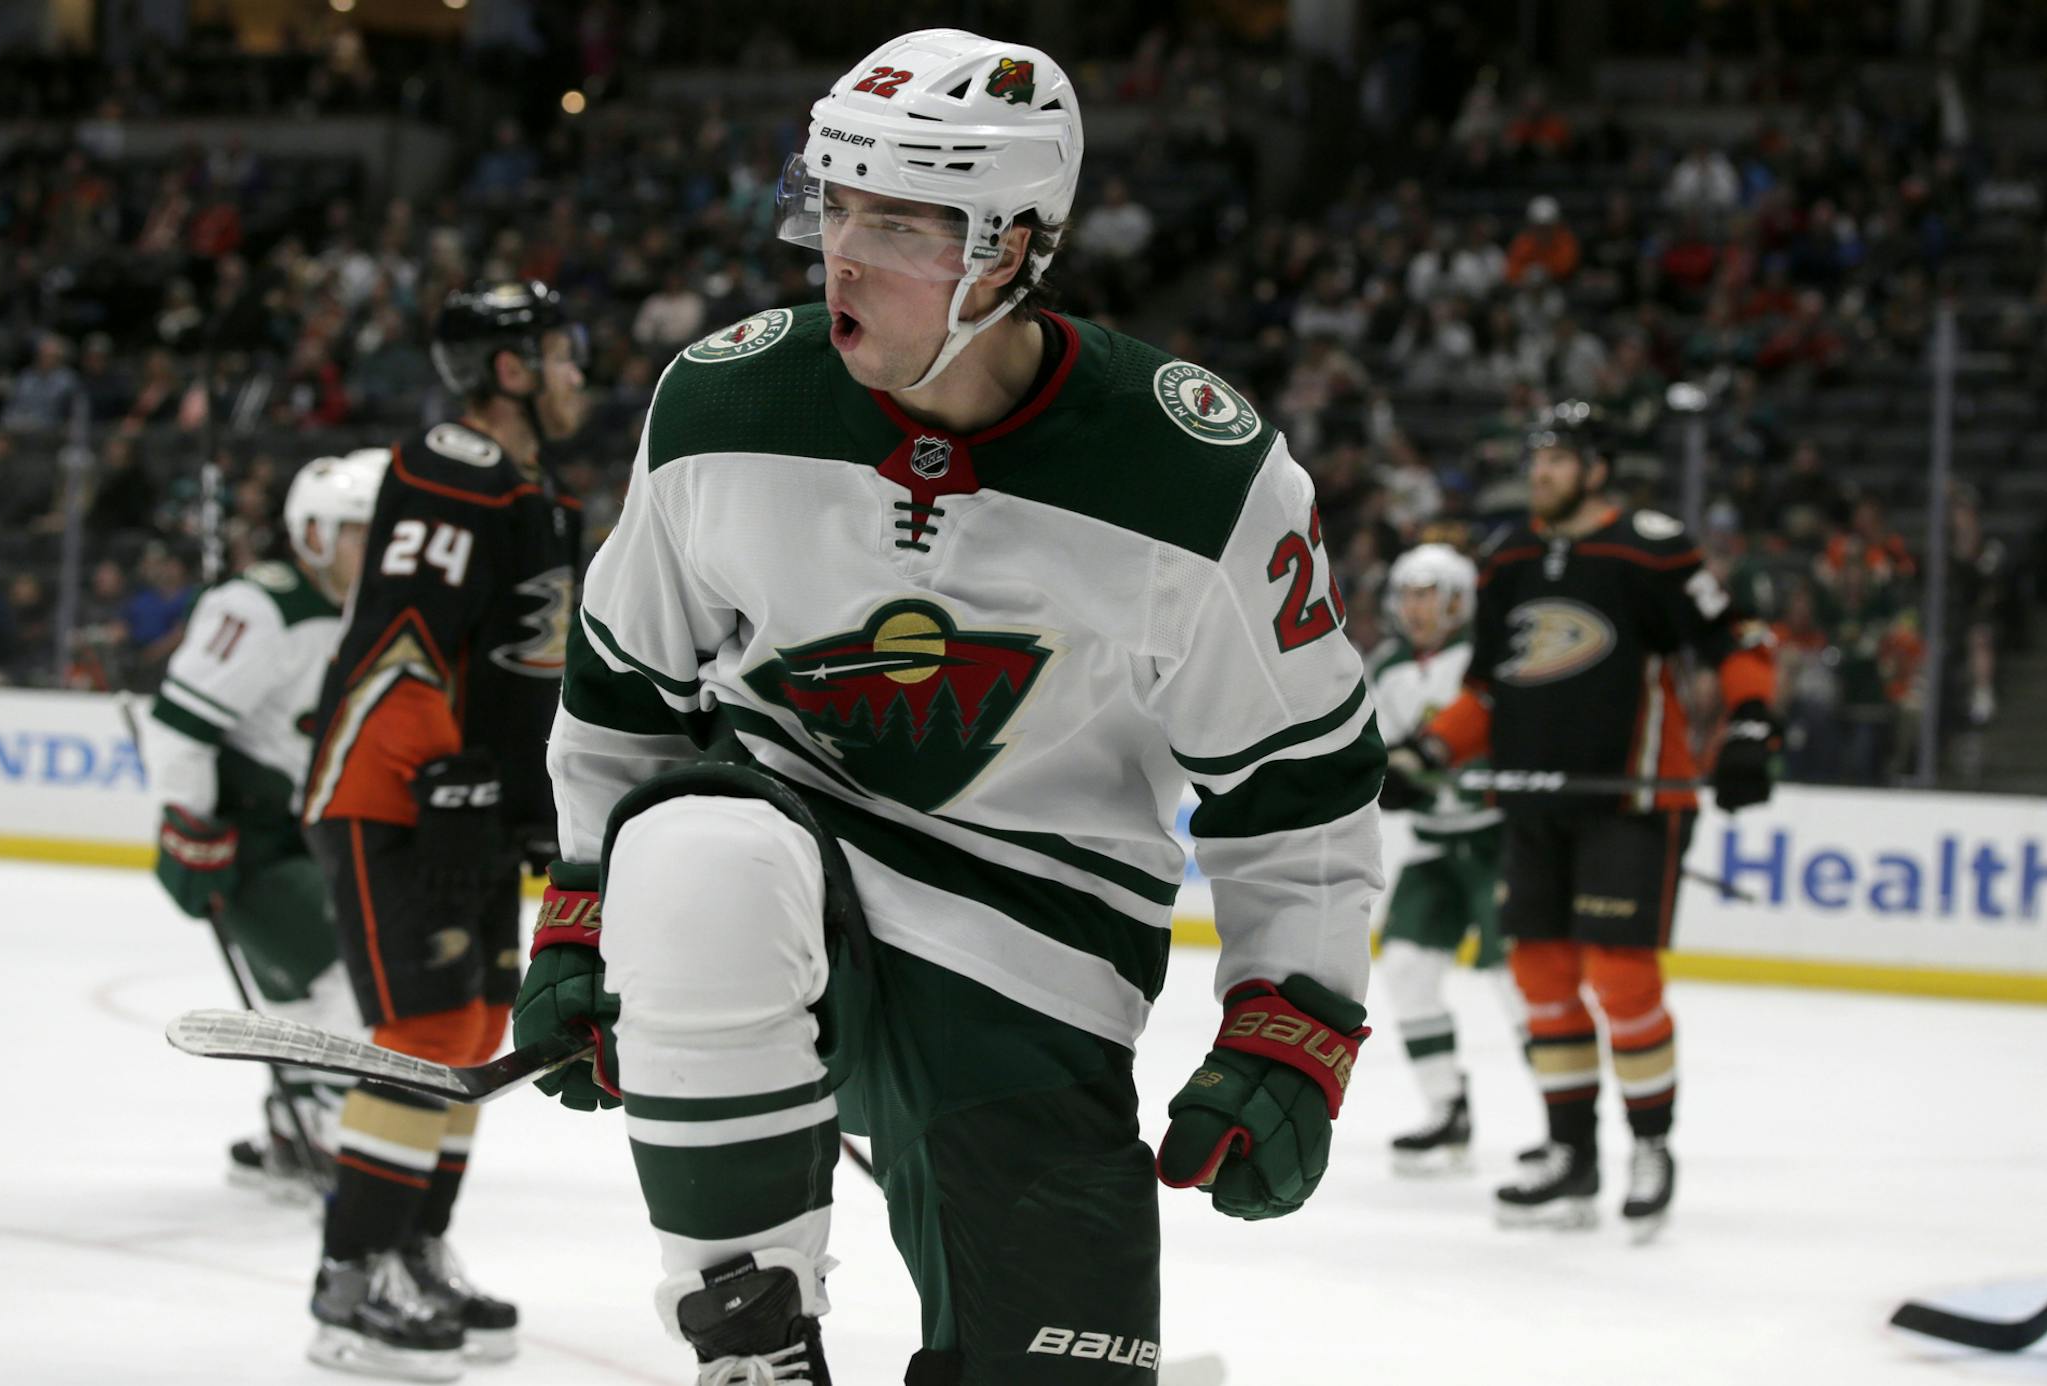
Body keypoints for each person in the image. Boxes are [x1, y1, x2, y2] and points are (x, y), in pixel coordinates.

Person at [525, 29, 1384, 1384]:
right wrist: (585, 902)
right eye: (835, 204)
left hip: (1031, 957)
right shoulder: (726, 400)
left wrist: (1296, 1018)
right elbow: (625, 690)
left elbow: (1300, 783)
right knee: (695, 847)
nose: (843, 256)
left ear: (1012, 247)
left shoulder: (1199, 478)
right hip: (781, 875)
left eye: (902, 223)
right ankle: (748, 1340)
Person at [1387, 401, 1778, 1242]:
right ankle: (1572, 1157)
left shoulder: (1650, 545)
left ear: (1598, 468)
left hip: (1629, 800)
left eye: (1560, 459)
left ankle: (1649, 1148)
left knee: (1622, 979)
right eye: (1536, 459)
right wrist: (1426, 754)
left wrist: (1750, 726)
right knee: (1542, 980)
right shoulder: (1512, 556)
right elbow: (1489, 689)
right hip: (1533, 804)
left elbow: (1737, 639)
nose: (1542, 472)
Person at [299, 281, 586, 1379]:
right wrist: (437, 777)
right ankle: (347, 1281)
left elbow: (515, 671)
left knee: (472, 1038)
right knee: (423, 1033)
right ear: (507, 371)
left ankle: (414, 1250)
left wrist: (525, 799)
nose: (575, 373)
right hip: (394, 787)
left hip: (463, 797)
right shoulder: (452, 464)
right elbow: (404, 635)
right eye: (557, 354)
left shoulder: (527, 489)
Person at [143, 449, 388, 1201]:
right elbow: (183, 726)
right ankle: (316, 1119)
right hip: (249, 839)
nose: (376, 549)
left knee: (310, 987)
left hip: (309, 832)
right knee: (344, 968)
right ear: (313, 535)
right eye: (359, 532)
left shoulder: (370, 613)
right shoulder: (261, 608)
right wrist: (189, 824)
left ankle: (296, 1122)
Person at [1368, 543, 1527, 1174]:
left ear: (1459, 599)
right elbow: (1376, 752)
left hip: (1499, 841)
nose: (1415, 607)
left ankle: (1565, 1123)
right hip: (1435, 845)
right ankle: (1446, 1109)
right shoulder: (1385, 669)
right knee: (1405, 967)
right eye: (1407, 594)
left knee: (1517, 983)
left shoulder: (1485, 659)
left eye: (1428, 593)